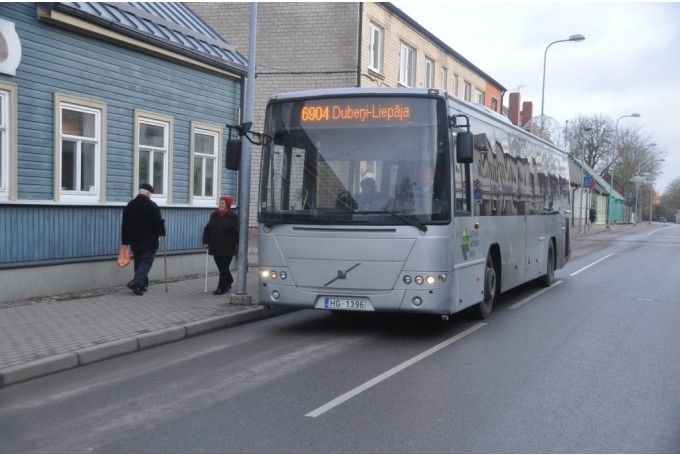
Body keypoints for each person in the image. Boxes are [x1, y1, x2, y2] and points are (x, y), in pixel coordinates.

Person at [121, 183, 166, 295]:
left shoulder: (130, 205)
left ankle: (142, 285)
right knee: (146, 261)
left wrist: (125, 241)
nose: (150, 196)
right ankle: (136, 283)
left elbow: (124, 224)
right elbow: (158, 221)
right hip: (149, 240)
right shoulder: (151, 206)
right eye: (150, 194)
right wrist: (162, 232)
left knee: (139, 261)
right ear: (147, 193)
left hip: (134, 240)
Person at [202, 196, 240, 295]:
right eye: (220, 202)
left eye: (223, 203)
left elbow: (238, 232)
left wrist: (239, 244)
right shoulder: (214, 215)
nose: (220, 204)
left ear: (227, 205)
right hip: (215, 245)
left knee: (223, 268)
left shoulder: (233, 217)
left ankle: (221, 288)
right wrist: (205, 240)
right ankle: (229, 281)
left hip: (228, 246)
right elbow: (207, 228)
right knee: (222, 267)